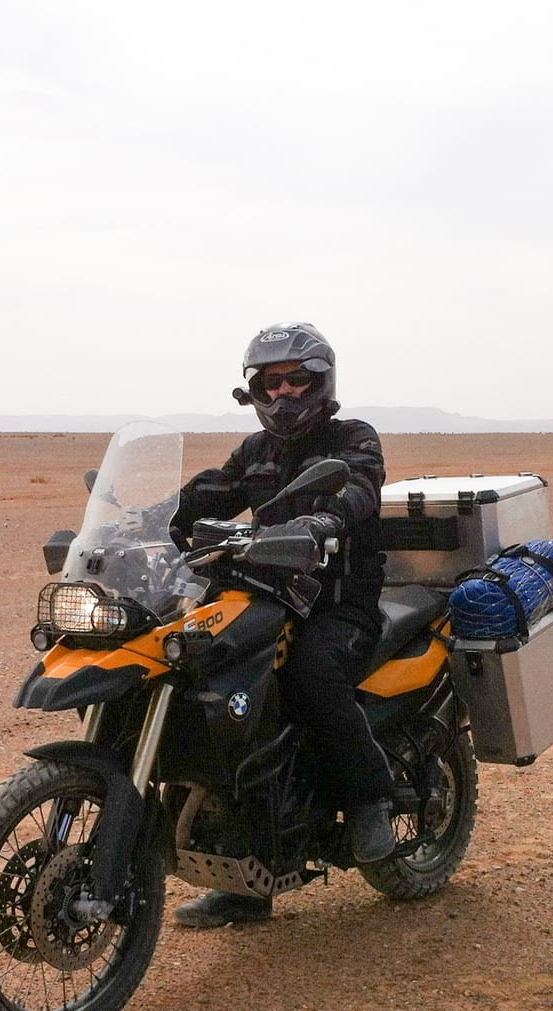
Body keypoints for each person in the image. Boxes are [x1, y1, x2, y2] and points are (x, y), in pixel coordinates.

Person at [169, 322, 397, 928]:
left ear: (320, 383)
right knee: (228, 708)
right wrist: (150, 515)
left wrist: (327, 523)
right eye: (271, 383)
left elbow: (361, 486)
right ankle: (247, 881)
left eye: (297, 381)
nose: (284, 395)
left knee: (310, 679)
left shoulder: (353, 436)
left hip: (338, 603)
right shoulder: (255, 453)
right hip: (266, 595)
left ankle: (371, 797)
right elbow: (211, 493)